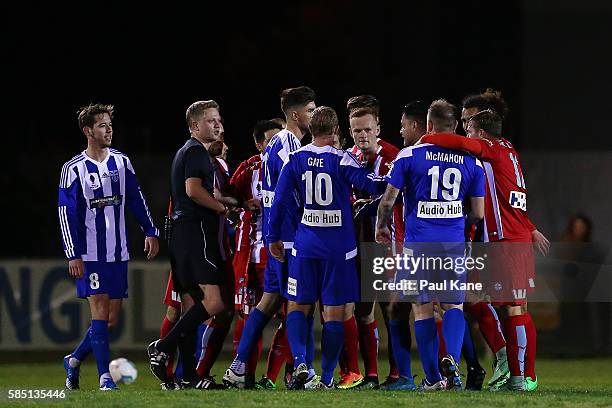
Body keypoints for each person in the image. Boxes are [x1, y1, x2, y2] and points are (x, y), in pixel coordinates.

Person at [421, 105, 550, 391]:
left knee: (515, 308)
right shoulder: (509, 149)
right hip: (504, 237)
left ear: (481, 133)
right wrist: (529, 226)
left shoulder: (490, 147)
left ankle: (522, 377)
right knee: (496, 305)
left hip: (506, 240)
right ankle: (514, 369)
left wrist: (429, 137)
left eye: (469, 127)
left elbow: (458, 142)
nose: (465, 131)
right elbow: (513, 195)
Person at [268, 106, 387, 389]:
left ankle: (300, 362)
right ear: (335, 131)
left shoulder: (295, 159)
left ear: (311, 130)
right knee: (334, 312)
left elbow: (280, 201)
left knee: (298, 306)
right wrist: (396, 179)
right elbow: (371, 186)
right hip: (339, 249)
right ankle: (329, 375)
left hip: (306, 244)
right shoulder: (342, 160)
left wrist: (273, 237)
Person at [376, 99, 485, 391]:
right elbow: (478, 213)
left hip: (416, 246)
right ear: (454, 126)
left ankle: (434, 378)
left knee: (422, 310)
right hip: (451, 245)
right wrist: (454, 221)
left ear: (428, 125)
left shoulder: (409, 155)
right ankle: (450, 356)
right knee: (453, 306)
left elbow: (388, 200)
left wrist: (381, 227)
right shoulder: (472, 162)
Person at [59, 103, 159, 391]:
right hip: (90, 253)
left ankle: (74, 360)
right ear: (88, 130)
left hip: (118, 251)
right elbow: (66, 213)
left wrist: (150, 230)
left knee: (111, 319)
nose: (109, 129)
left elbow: (136, 198)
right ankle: (105, 377)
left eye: (110, 125)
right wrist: (73, 253)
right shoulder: (73, 169)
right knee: (100, 311)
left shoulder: (121, 161)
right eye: (102, 125)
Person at [224, 86, 317, 388]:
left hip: (276, 236)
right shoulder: (289, 145)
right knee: (297, 303)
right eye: (311, 110)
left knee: (268, 303)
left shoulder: (277, 142)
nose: (314, 115)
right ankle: (303, 368)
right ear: (295, 114)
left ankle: (237, 368)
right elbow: (288, 195)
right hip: (289, 239)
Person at [148, 100, 229, 390]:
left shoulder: (186, 151)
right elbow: (193, 191)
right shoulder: (196, 151)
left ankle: (187, 375)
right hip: (195, 232)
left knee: (191, 305)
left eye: (218, 119)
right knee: (216, 302)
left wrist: (228, 201)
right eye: (210, 121)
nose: (217, 125)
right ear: (195, 126)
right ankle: (162, 347)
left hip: (180, 234)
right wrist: (220, 208)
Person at [228, 119, 281, 388]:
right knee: (249, 314)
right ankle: (243, 374)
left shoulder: (293, 162)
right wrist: (242, 204)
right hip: (252, 254)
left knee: (292, 313)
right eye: (271, 140)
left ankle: (273, 377)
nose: (278, 144)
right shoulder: (249, 168)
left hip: (283, 251)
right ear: (259, 144)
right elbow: (226, 195)